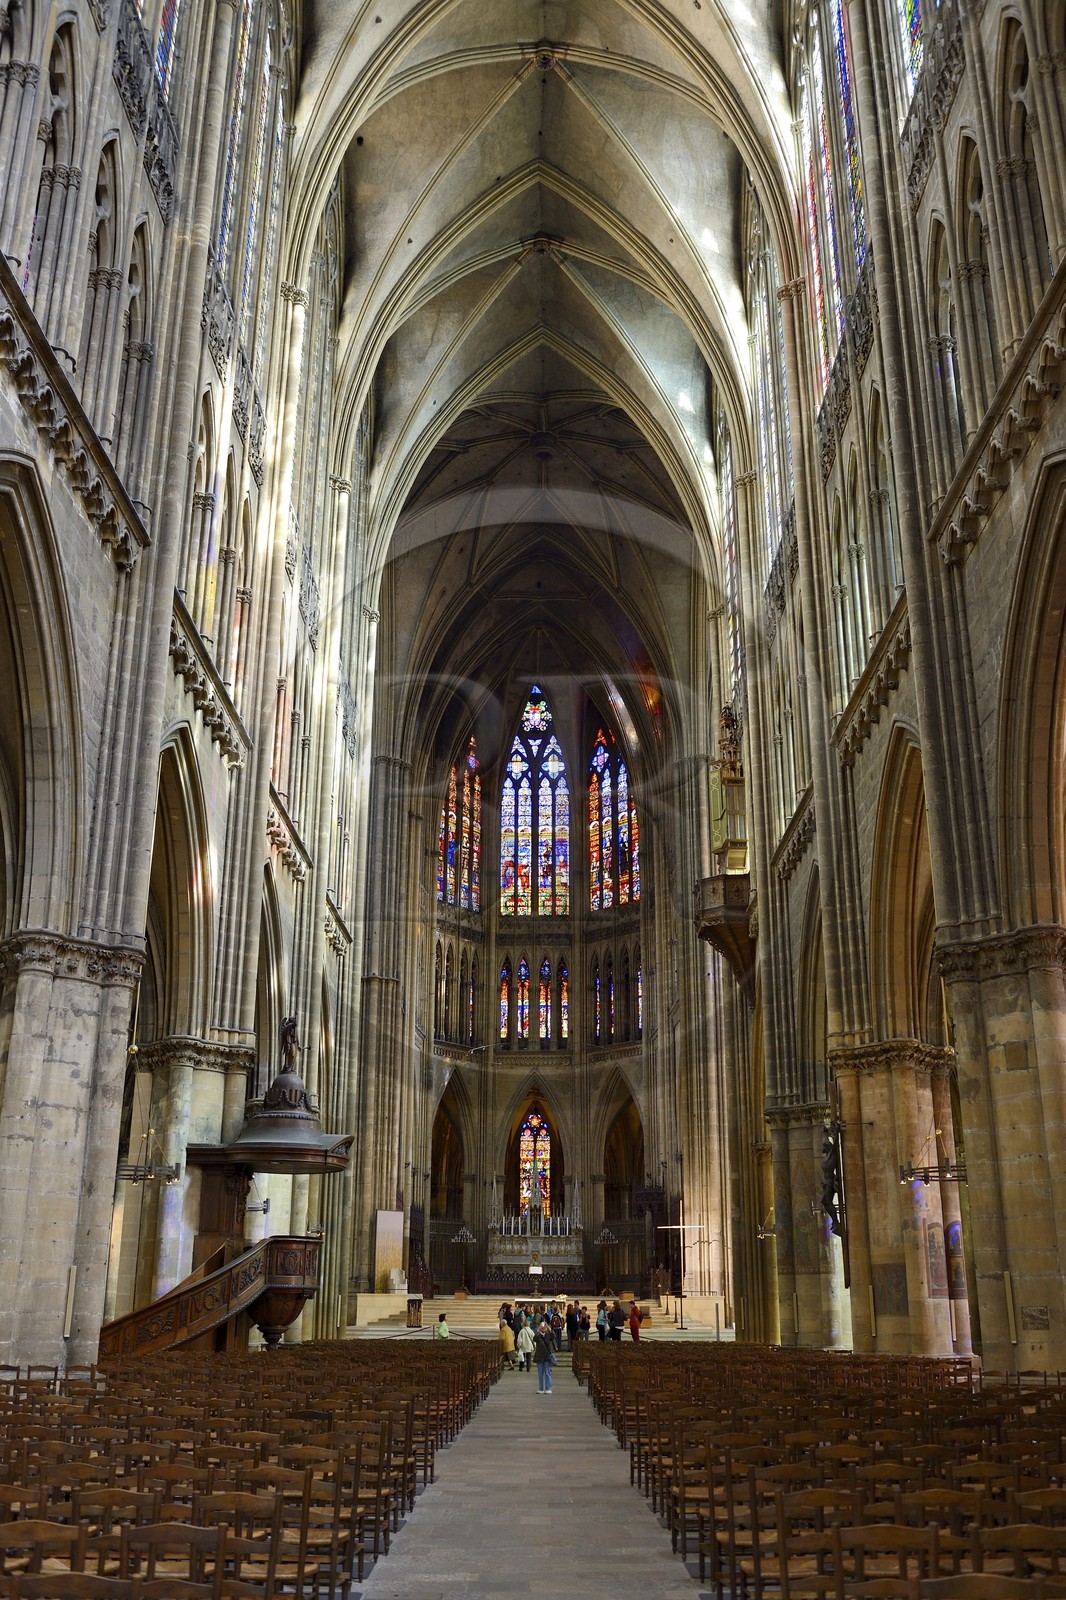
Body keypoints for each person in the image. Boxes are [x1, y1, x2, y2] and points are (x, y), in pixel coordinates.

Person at [533, 1319, 555, 1393]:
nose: (543, 1328)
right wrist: (538, 1331)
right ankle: (541, 1388)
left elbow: (553, 1336)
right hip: (539, 1356)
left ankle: (548, 1388)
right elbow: (534, 1338)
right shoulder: (538, 1335)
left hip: (547, 1356)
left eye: (544, 1327)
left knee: (547, 1372)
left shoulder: (548, 1334)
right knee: (540, 1373)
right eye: (542, 1327)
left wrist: (549, 1328)